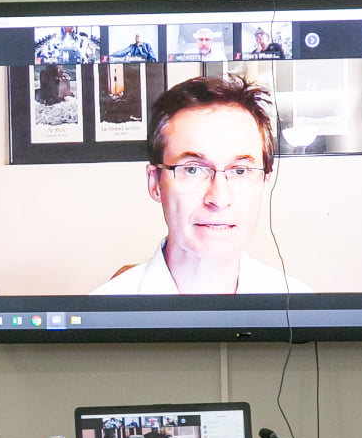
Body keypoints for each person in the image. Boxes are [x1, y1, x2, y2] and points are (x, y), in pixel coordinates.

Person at [93, 75, 313, 295]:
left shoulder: (301, 306)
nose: (219, 199)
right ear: (155, 182)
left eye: (240, 171)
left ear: (265, 183)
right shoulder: (102, 307)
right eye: (193, 169)